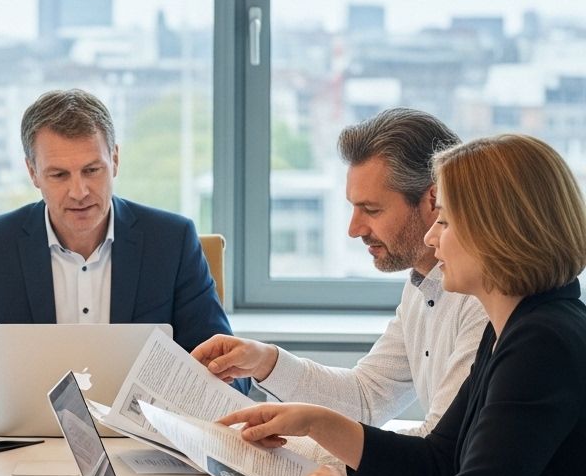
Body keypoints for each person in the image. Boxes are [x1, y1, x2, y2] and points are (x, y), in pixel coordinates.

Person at [221, 134, 586, 476]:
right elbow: (440, 458)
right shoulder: (521, 324)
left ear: (495, 231)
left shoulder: (542, 343)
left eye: (447, 222)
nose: (435, 242)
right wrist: (317, 421)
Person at [0, 88, 234, 419]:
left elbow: (227, 369)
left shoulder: (172, 241)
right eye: (59, 175)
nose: (79, 192)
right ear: (33, 173)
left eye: (92, 170)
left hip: (144, 442)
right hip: (26, 444)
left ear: (115, 161)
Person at [193, 107, 488, 438]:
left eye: (371, 210)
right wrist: (265, 362)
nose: (354, 229)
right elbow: (365, 400)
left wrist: (303, 454)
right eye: (353, 207)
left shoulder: (485, 300)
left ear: (433, 200)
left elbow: (438, 450)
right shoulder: (422, 286)